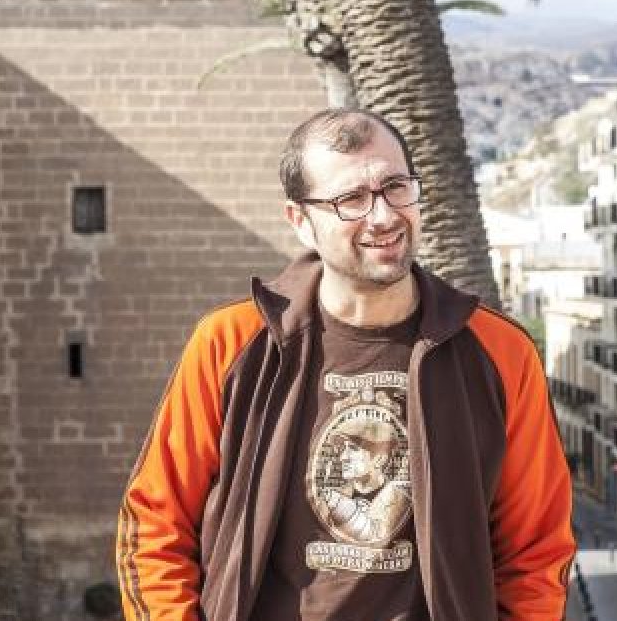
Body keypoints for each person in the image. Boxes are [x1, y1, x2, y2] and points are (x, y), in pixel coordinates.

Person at [115, 108, 575, 621]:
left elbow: (537, 549)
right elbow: (155, 524)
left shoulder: (497, 351)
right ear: (301, 221)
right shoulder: (232, 344)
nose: (382, 216)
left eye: (396, 187)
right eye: (350, 200)